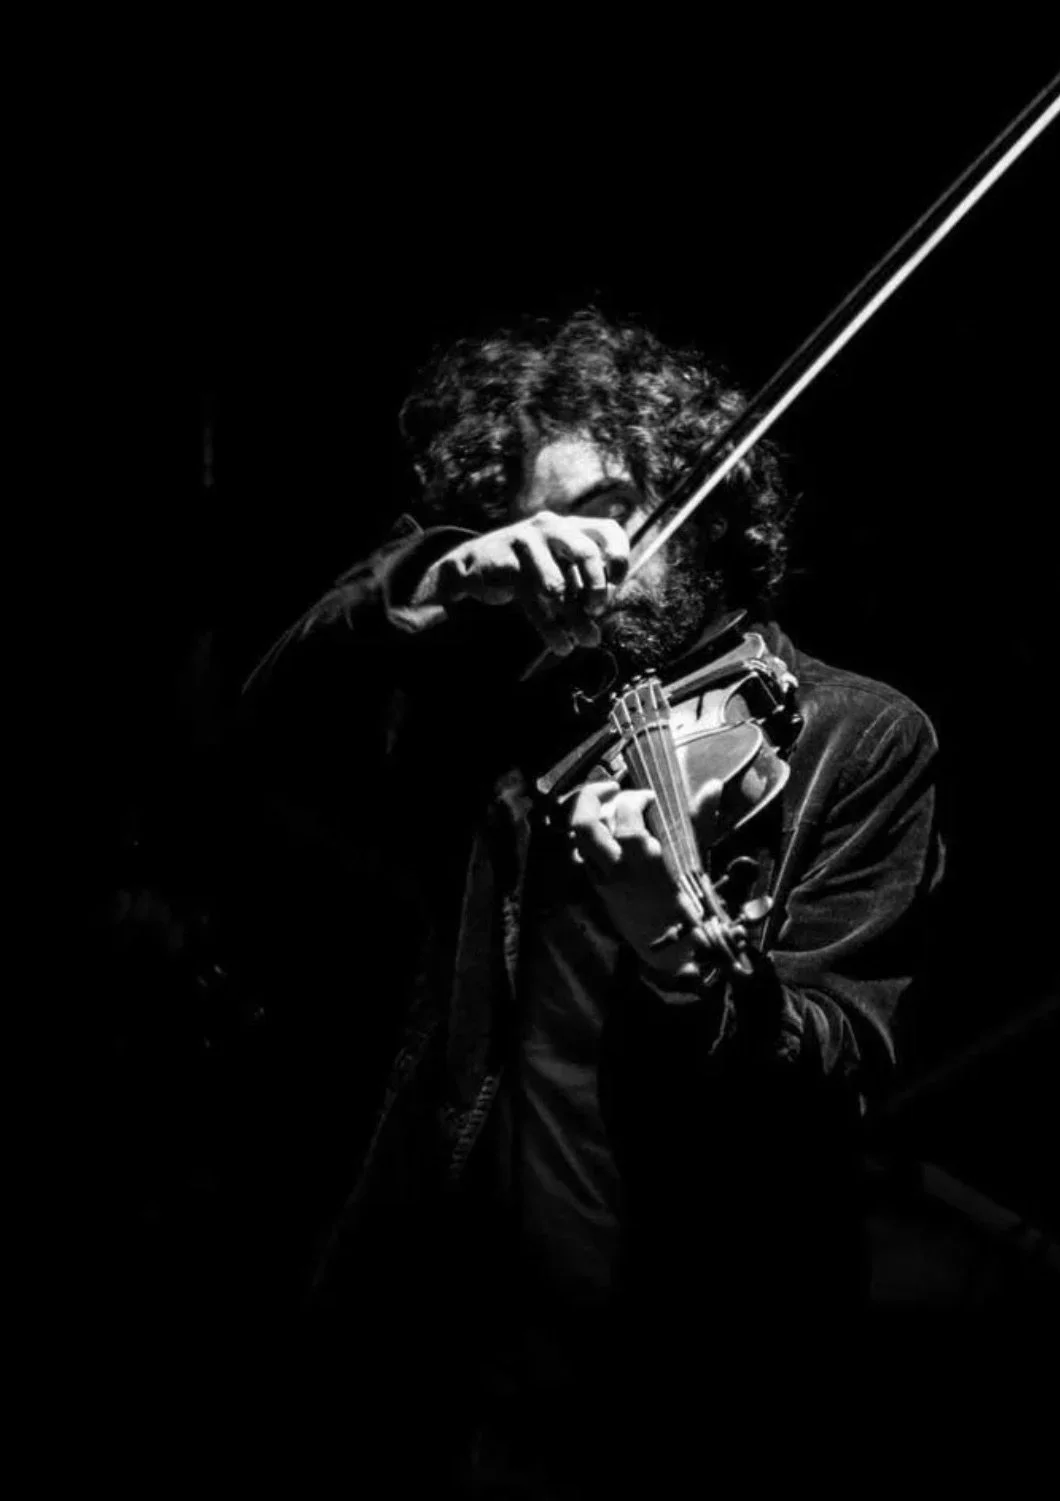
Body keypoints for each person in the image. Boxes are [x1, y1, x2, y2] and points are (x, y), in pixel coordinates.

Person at [239, 310, 942, 1496]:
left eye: (609, 507)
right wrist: (435, 576)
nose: (577, 554)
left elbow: (839, 1060)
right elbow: (261, 737)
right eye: (537, 524)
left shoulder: (855, 734)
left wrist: (676, 943)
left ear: (702, 502)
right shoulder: (504, 717)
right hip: (469, 1351)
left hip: (698, 1375)